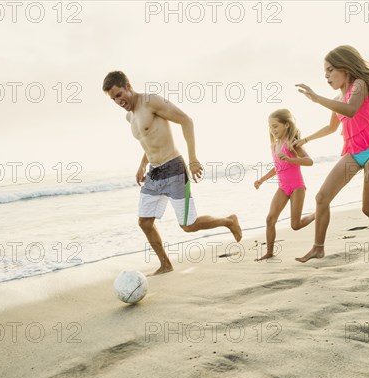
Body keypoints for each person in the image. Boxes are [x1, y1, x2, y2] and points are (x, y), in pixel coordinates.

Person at [102, 71, 242, 275]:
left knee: (188, 225)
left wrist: (193, 159)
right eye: (113, 98)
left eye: (119, 94)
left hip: (174, 168)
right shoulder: (129, 117)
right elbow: (148, 141)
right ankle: (165, 264)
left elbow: (186, 120)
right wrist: (142, 165)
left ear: (128, 86)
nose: (117, 101)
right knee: (144, 222)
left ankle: (229, 221)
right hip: (154, 173)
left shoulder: (151, 101)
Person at [294, 45, 369, 262]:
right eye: (325, 71)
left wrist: (317, 99)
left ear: (346, 68)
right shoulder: (338, 98)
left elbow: (351, 110)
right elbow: (331, 128)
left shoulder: (360, 85)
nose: (327, 75)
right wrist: (304, 140)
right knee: (322, 197)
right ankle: (318, 248)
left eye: (331, 69)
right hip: (353, 153)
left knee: (368, 208)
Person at [253, 109, 315, 261]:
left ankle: (317, 214)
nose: (272, 130)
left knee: (295, 225)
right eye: (270, 127)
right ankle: (269, 252)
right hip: (282, 187)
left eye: (275, 126)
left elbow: (309, 161)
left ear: (286, 125)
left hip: (297, 188)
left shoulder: (292, 144)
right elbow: (277, 167)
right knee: (270, 219)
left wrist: (290, 159)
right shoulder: (274, 146)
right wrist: (262, 179)